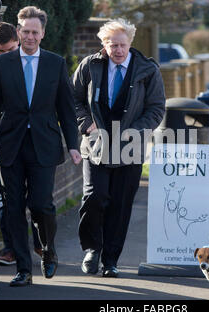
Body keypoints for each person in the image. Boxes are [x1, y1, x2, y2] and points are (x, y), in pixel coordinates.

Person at [0, 6, 82, 287]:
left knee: (41, 204)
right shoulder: (1, 65)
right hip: (10, 145)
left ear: (43, 33)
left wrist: (73, 145)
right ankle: (23, 269)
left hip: (44, 145)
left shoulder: (55, 63)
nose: (30, 36)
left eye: (35, 32)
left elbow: (66, 109)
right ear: (18, 31)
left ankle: (48, 251)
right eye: (25, 31)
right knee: (13, 206)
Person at [72, 18, 165, 278]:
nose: (118, 51)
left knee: (120, 206)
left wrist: (135, 131)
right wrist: (86, 123)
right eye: (113, 45)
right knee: (94, 197)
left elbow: (156, 108)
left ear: (130, 43)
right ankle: (92, 248)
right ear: (104, 44)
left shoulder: (147, 70)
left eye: (122, 45)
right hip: (96, 145)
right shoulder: (90, 65)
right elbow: (74, 99)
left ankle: (111, 261)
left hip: (130, 148)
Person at [0, 22, 43, 267]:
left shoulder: (31, 64)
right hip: (2, 142)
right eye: (1, 52)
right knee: (8, 199)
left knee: (38, 196)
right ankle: (11, 248)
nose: (7, 55)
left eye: (12, 49)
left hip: (32, 139)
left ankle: (39, 242)